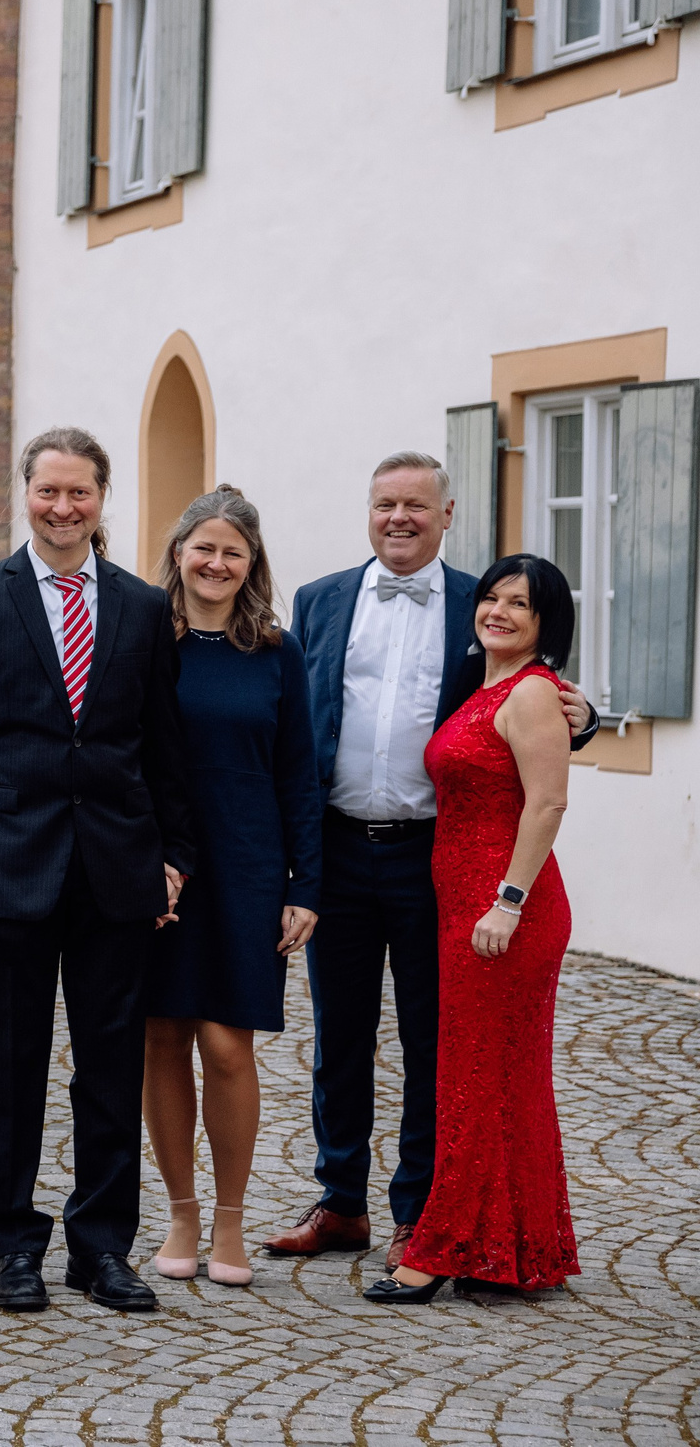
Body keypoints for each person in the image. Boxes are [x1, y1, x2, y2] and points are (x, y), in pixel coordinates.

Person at [272, 452, 593, 1271]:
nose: (399, 518)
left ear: (447, 516)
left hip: (436, 858)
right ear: (368, 510)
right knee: (338, 1037)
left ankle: (424, 1210)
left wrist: (583, 718)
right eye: (385, 504)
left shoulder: (476, 604)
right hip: (340, 849)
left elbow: (532, 704)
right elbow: (296, 722)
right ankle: (340, 1202)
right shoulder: (320, 601)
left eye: (416, 505)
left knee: (433, 1040)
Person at [0, 426, 197, 1314]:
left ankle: (101, 1246)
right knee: (12, 1064)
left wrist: (173, 858)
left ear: (101, 498)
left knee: (110, 1066)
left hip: (118, 868)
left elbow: (165, 745)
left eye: (80, 493)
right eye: (49, 492)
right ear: (26, 493)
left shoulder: (143, 607)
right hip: (9, 867)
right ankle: (13, 1243)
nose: (63, 507)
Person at [366, 554, 579, 1303]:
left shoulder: (529, 694)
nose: (500, 612)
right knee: (493, 1080)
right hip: (465, 907)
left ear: (545, 622)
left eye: (520, 604)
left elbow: (547, 803)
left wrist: (509, 900)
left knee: (480, 1080)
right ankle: (514, 1250)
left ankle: (439, 1251)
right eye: (491, 597)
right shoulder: (485, 685)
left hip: (504, 913)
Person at [137, 486, 323, 1290]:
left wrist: (306, 883)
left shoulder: (275, 652)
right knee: (163, 1037)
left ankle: (231, 1220)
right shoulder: (143, 642)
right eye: (203, 547)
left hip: (248, 866)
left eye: (232, 552)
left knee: (226, 1043)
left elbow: (301, 775)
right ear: (178, 552)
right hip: (160, 867)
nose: (216, 563)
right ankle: (179, 1211)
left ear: (252, 565)